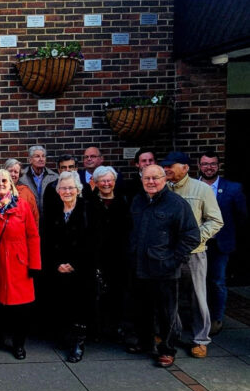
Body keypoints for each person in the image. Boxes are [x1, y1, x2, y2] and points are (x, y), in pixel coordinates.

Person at [128, 164, 200, 368]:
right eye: (147, 178)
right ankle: (144, 343)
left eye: (155, 178)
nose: (151, 182)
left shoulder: (176, 204)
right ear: (141, 179)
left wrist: (173, 259)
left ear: (165, 179)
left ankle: (167, 350)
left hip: (164, 269)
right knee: (142, 308)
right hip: (139, 267)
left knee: (166, 312)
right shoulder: (137, 201)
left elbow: (191, 236)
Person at [162, 151, 223, 358]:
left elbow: (215, 220)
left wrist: (196, 238)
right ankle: (174, 333)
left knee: (198, 296)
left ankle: (200, 339)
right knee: (171, 296)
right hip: (169, 254)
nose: (167, 169)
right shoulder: (163, 188)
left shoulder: (202, 189)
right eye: (166, 166)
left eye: (172, 165)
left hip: (194, 253)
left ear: (186, 168)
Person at [0, 169, 41, 360]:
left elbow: (33, 236)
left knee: (20, 311)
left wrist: (35, 264)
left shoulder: (22, 206)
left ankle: (19, 345)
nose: (0, 184)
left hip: (19, 264)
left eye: (4, 181)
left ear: (11, 184)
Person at [42, 171, 95, 363]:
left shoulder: (89, 210)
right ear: (57, 191)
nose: (67, 191)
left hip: (81, 270)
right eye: (63, 188)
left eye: (71, 188)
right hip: (58, 270)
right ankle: (65, 338)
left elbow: (95, 242)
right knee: (62, 305)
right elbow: (45, 241)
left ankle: (78, 344)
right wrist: (56, 264)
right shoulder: (53, 210)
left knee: (80, 307)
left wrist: (75, 264)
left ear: (78, 190)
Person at [198, 150, 247, 335]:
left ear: (218, 166)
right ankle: (199, 318)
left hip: (220, 244)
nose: (209, 167)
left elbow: (241, 217)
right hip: (196, 244)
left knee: (217, 282)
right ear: (199, 166)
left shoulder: (233, 188)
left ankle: (216, 318)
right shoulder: (193, 186)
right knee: (196, 283)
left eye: (212, 164)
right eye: (205, 164)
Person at [88, 166, 132, 339]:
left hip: (119, 256)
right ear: (96, 183)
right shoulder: (89, 202)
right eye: (102, 181)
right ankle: (98, 329)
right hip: (96, 255)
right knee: (97, 293)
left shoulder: (124, 202)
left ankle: (115, 327)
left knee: (117, 292)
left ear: (114, 182)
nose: (106, 184)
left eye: (109, 180)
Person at [18, 145, 59, 217]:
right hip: (29, 218)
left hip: (49, 218)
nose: (41, 159)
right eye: (37, 156)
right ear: (30, 160)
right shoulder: (21, 177)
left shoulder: (54, 177)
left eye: (43, 156)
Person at [2, 158, 39, 226]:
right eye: (10, 171)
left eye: (16, 172)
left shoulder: (26, 192)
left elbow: (34, 217)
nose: (13, 174)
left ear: (19, 174)